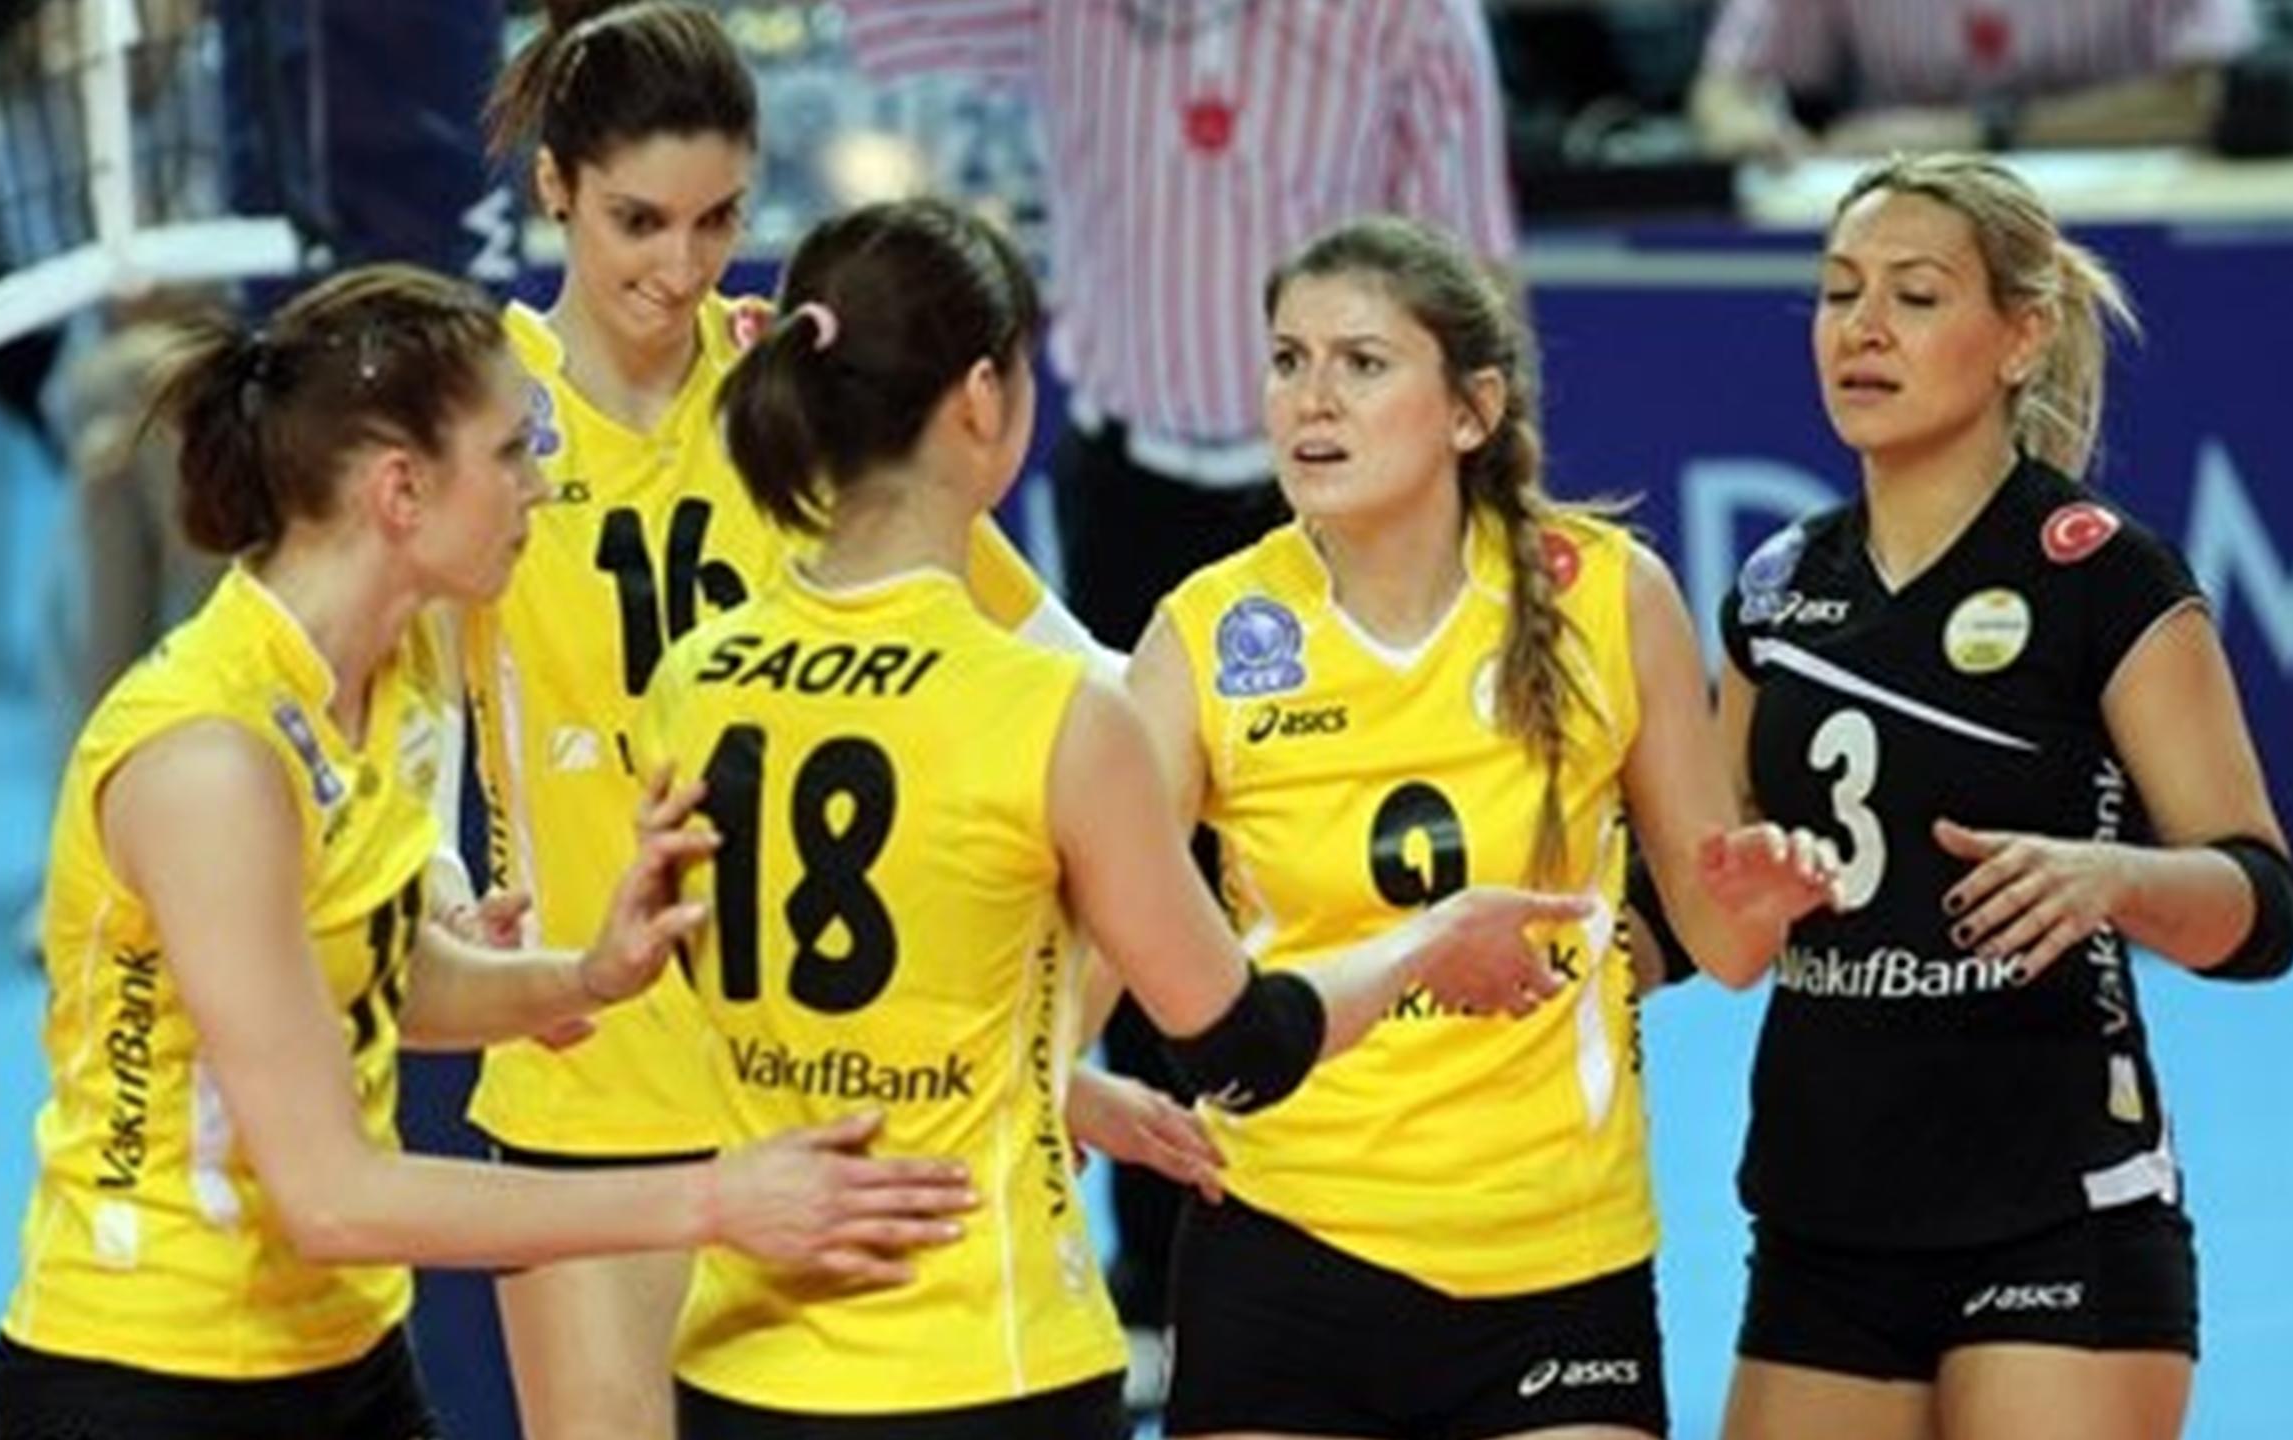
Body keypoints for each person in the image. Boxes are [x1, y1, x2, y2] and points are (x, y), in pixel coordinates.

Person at [635, 194, 1598, 1440]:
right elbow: (1242, 1046)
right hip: (982, 1355)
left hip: (742, 1363)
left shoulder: (693, 679)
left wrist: (1057, 1090)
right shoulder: (1050, 712)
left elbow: (804, 995)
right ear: (982, 398)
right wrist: (1430, 939)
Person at [0, 264, 983, 1440]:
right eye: (511, 454)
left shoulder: (392, 674)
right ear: (400, 489)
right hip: (147, 1381)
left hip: (345, 1356)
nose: (539, 486)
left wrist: (577, 979)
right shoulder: (211, 763)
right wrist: (715, 1200)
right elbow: (333, 1197)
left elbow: (362, 984)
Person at [462, 8, 1146, 1437]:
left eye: (718, 220)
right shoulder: (479, 414)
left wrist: (1046, 1045)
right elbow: (388, 742)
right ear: (554, 188)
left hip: (810, 1104)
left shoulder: (794, 396)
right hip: (587, 1091)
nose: (680, 266)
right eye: (638, 220)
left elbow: (1098, 693)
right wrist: (446, 899)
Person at [839, 0, 1525, 1337]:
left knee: (1323, 858)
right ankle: (1153, 1267)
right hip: (1127, 479)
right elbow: (866, 33)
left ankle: (1352, 1216)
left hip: (1333, 499)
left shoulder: (1409, 20)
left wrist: (1487, 514)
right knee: (1114, 863)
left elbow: (1474, 285)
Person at [1116, 215, 1836, 1440]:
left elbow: (1722, 945)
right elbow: (1097, 923)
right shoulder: (1208, 631)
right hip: (1286, 1240)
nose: (1310, 400)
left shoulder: (1608, 594)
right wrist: (1060, 1089)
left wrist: (1760, 896)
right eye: (1287, 360)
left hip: (1553, 1258)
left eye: (1361, 363)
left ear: (1471, 409)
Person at [1626, 153, 2293, 1440]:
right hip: (1825, 1216)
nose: (1862, 328)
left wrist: (2116, 880)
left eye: (1917, 296)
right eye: (1839, 292)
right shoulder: (1776, 590)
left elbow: (2262, 908)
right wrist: (1588, 950)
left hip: (2059, 1205)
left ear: (2019, 336)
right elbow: (1698, 899)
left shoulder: (2103, 576)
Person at [1689, 0, 2259, 159]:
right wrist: (1743, 129)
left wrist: (1980, 132)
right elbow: (1723, 89)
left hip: (2135, 216)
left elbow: (2201, 97)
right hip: (1913, 219)